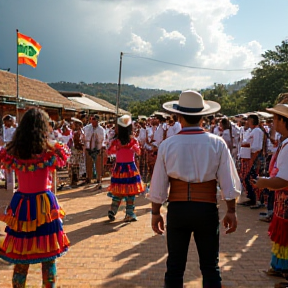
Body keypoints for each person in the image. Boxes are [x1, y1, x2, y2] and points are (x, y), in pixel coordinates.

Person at [148, 90, 241, 288]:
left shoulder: (167, 145)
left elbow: (158, 183)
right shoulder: (217, 143)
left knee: (174, 266)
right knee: (210, 267)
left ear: (179, 117)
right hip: (206, 209)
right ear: (203, 117)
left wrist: (155, 212)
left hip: (178, 209)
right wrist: (231, 210)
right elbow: (228, 181)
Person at [0, 108, 70, 288]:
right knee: (48, 259)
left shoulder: (13, 151)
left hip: (22, 203)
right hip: (44, 205)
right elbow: (60, 158)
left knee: (21, 258)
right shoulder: (49, 150)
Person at [255, 104, 288, 288]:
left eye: (276, 118)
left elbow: (284, 179)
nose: (273, 123)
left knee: (285, 234)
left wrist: (265, 183)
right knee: (282, 234)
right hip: (282, 200)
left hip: (285, 198)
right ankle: (280, 266)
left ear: (284, 121)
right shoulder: (284, 142)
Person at [107, 115, 145, 222]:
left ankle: (113, 210)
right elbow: (138, 152)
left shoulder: (116, 142)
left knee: (118, 190)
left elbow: (110, 152)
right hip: (130, 168)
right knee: (131, 191)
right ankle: (129, 213)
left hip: (119, 168)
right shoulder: (133, 141)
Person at [83, 114, 105, 185]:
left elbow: (103, 140)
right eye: (93, 119)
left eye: (95, 119)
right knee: (88, 164)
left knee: (98, 164)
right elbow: (83, 137)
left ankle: (99, 178)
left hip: (98, 149)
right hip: (88, 148)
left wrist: (101, 148)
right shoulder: (86, 128)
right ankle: (88, 178)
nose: (94, 121)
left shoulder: (101, 129)